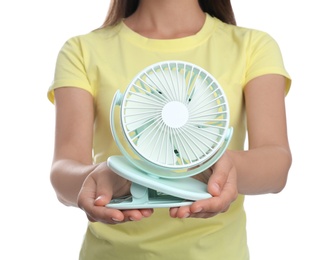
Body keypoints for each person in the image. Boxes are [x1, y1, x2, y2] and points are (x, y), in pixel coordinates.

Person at [47, 0, 292, 259]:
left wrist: (226, 165)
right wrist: (99, 178)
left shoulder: (253, 47)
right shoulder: (82, 51)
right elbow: (64, 170)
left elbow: (276, 165)